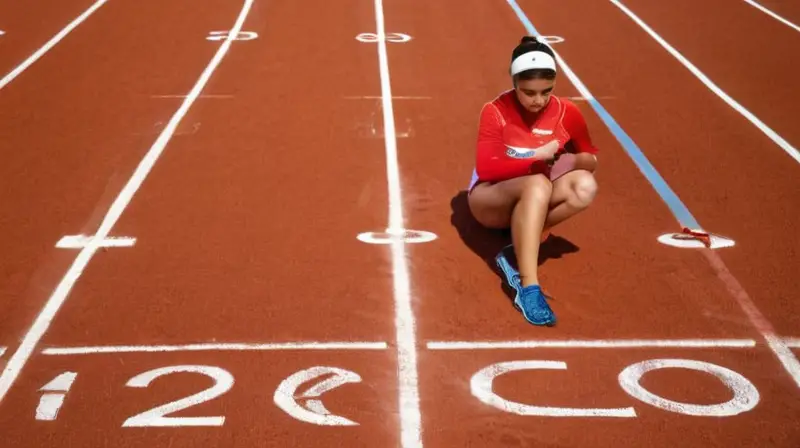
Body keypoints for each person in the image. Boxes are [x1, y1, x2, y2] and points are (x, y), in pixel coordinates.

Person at [467, 36, 600, 326]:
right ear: (514, 83)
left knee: (584, 186)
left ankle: (516, 249)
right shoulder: (495, 111)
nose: (538, 101)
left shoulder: (568, 113)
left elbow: (590, 158)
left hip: (536, 196)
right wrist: (536, 157)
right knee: (537, 183)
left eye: (546, 92)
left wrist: (572, 161)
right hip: (490, 198)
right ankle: (527, 287)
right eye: (529, 93)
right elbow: (487, 169)